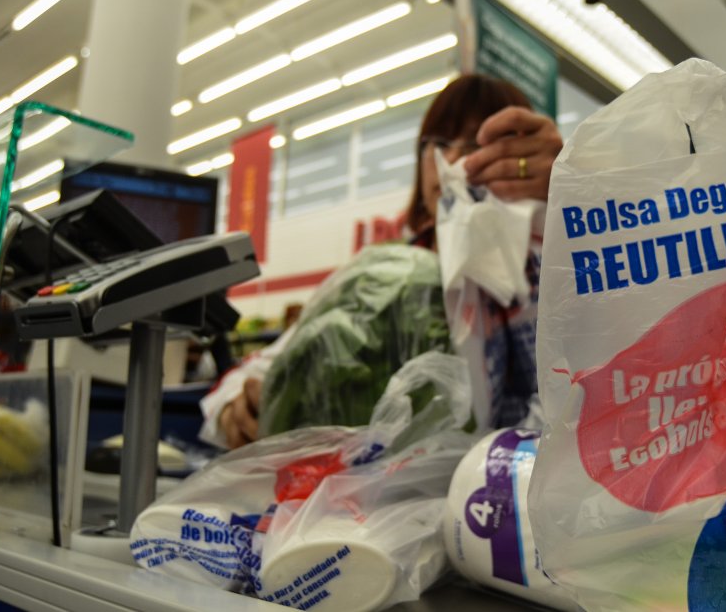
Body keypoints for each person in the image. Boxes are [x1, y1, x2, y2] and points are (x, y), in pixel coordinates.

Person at [201, 74, 563, 448]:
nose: (452, 159)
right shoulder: (382, 273)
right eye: (438, 144)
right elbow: (264, 366)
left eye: (476, 144)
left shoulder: (557, 265)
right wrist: (234, 408)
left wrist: (573, 194)